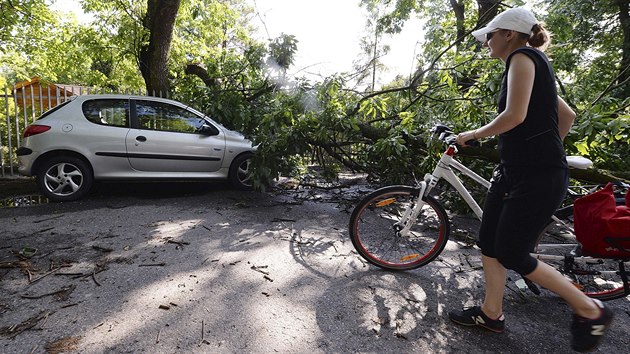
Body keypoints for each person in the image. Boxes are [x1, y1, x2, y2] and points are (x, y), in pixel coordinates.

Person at [448, 7, 613, 353]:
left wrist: (472, 134)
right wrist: (544, 145)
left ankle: (590, 308)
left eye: (490, 36)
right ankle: (491, 314)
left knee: (512, 252)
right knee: (489, 243)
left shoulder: (523, 56)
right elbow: (565, 115)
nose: (487, 43)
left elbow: (515, 115)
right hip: (515, 171)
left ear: (509, 34)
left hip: (537, 176)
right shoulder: (531, 64)